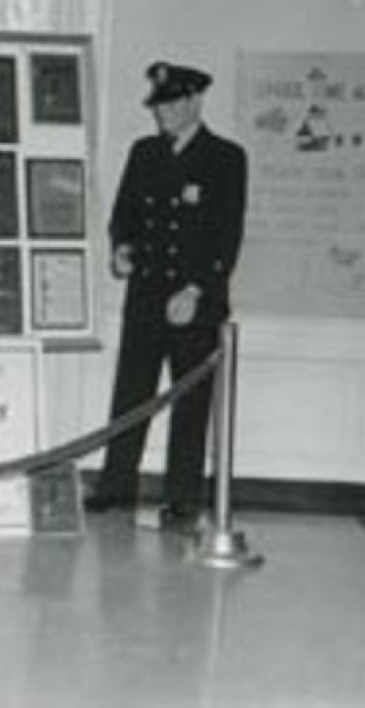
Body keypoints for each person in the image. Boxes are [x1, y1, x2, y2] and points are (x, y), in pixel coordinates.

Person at [84, 61, 247, 531]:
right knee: (131, 393)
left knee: (190, 403)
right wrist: (123, 250)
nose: (162, 114)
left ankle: (182, 498)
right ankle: (115, 488)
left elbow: (225, 235)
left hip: (194, 300)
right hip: (147, 294)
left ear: (195, 100)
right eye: (158, 105)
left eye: (171, 104)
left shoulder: (226, 158)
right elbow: (124, 216)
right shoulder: (145, 153)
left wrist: (195, 289)